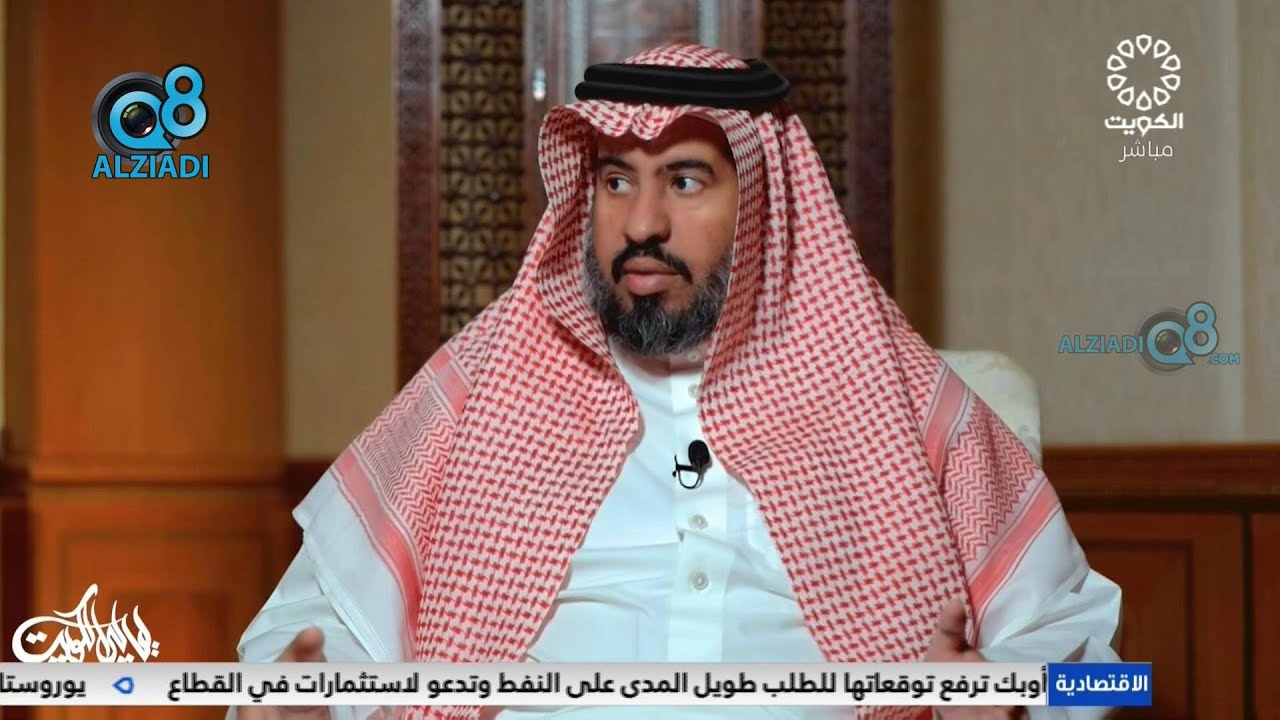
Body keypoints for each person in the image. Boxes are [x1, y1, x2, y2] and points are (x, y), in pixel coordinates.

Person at [230, 43, 1122, 720]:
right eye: (617, 181)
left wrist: (1009, 698)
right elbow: (299, 638)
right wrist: (301, 704)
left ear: (763, 204)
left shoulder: (895, 389)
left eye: (685, 181)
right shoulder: (482, 384)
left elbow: (1104, 671)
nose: (641, 223)